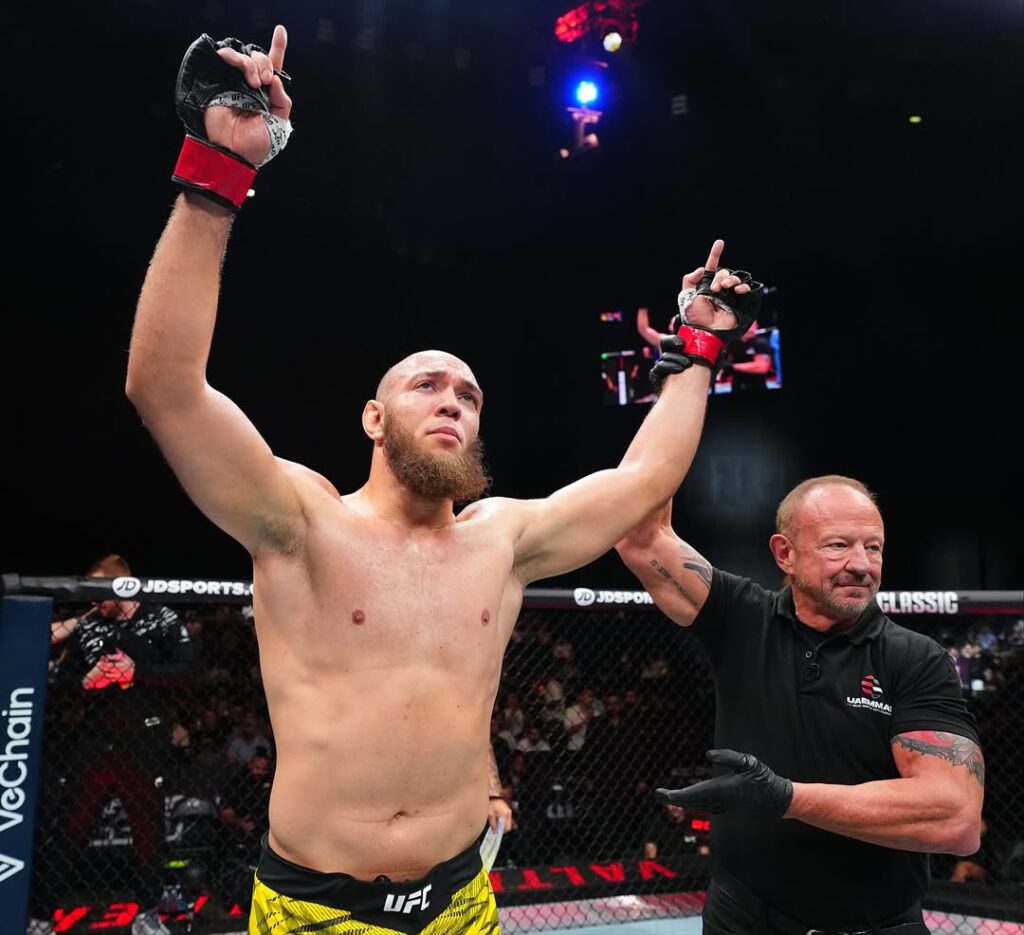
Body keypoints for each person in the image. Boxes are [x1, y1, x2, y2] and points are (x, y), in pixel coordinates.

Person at [125, 23, 755, 935]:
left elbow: (648, 473)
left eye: (468, 394)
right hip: (314, 910)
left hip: (461, 901)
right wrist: (218, 177)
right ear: (373, 419)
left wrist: (698, 351)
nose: (453, 401)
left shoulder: (504, 541)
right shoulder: (299, 520)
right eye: (426, 385)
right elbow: (166, 388)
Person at [614, 477, 984, 934]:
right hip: (744, 920)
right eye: (838, 545)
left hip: (876, 924)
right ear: (785, 553)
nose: (861, 565)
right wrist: (682, 423)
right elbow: (640, 538)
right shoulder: (742, 618)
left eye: (873, 547)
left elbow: (956, 818)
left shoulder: (915, 658)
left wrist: (786, 798)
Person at [51, 554, 197, 935]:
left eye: (99, 591)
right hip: (95, 745)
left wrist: (137, 672)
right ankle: (38, 913)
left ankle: (146, 914)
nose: (93, 600)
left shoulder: (161, 618)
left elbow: (187, 671)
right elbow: (59, 680)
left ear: (121, 585)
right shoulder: (88, 626)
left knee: (149, 836)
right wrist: (86, 682)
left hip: (145, 745)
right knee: (69, 832)